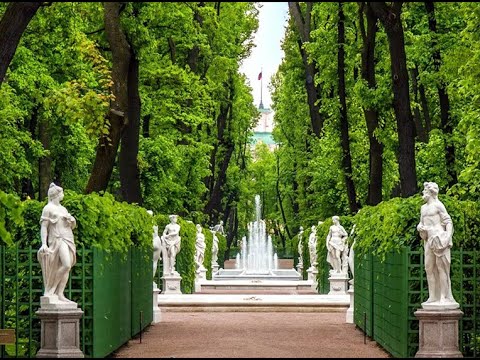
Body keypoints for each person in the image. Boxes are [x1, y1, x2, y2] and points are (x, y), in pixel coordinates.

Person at [417, 182, 458, 307]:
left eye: (425, 191)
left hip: (439, 240)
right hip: (428, 240)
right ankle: (432, 296)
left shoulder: (438, 205)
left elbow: (448, 221)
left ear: (430, 192)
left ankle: (443, 297)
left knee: (441, 268)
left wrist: (447, 236)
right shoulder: (423, 208)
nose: (423, 193)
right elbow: (421, 222)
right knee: (429, 268)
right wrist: (420, 227)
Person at [37, 183, 76, 303]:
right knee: (66, 265)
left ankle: (60, 294)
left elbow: (71, 225)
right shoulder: (48, 208)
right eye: (62, 193)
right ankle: (51, 290)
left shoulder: (63, 209)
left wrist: (71, 220)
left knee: (66, 267)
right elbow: (44, 227)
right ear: (56, 195)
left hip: (68, 237)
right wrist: (44, 244)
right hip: (57, 239)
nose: (63, 195)